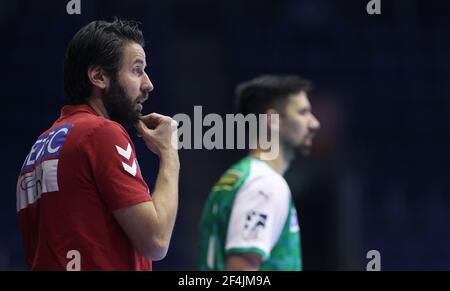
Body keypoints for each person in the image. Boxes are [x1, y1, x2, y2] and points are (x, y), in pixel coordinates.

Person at [16, 20, 179, 271]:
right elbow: (155, 240)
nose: (148, 84)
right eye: (137, 70)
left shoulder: (39, 148)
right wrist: (169, 153)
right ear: (99, 76)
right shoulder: (101, 133)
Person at [198, 75, 320, 271]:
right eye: (303, 112)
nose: (314, 123)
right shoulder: (264, 184)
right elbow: (241, 271)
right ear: (272, 120)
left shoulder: (237, 176)